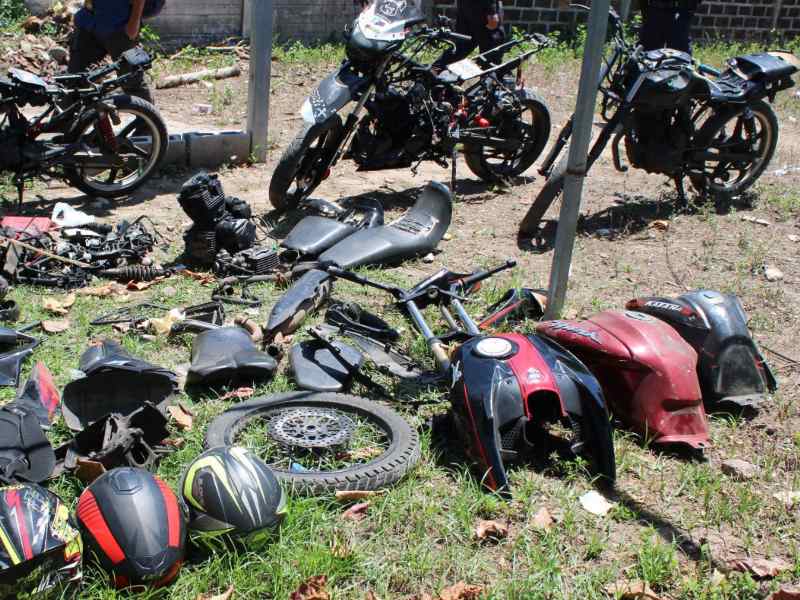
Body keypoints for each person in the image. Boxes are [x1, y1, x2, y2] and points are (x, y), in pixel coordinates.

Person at [67, 0, 154, 104]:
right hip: (89, 23)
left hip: (118, 25)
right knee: (75, 80)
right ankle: (68, 118)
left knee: (131, 81)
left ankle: (147, 119)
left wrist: (134, 22)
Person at [434, 0, 506, 69]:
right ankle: (489, 77)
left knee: (463, 44)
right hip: (482, 8)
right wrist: (492, 11)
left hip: (468, 5)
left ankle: (435, 68)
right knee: (492, 45)